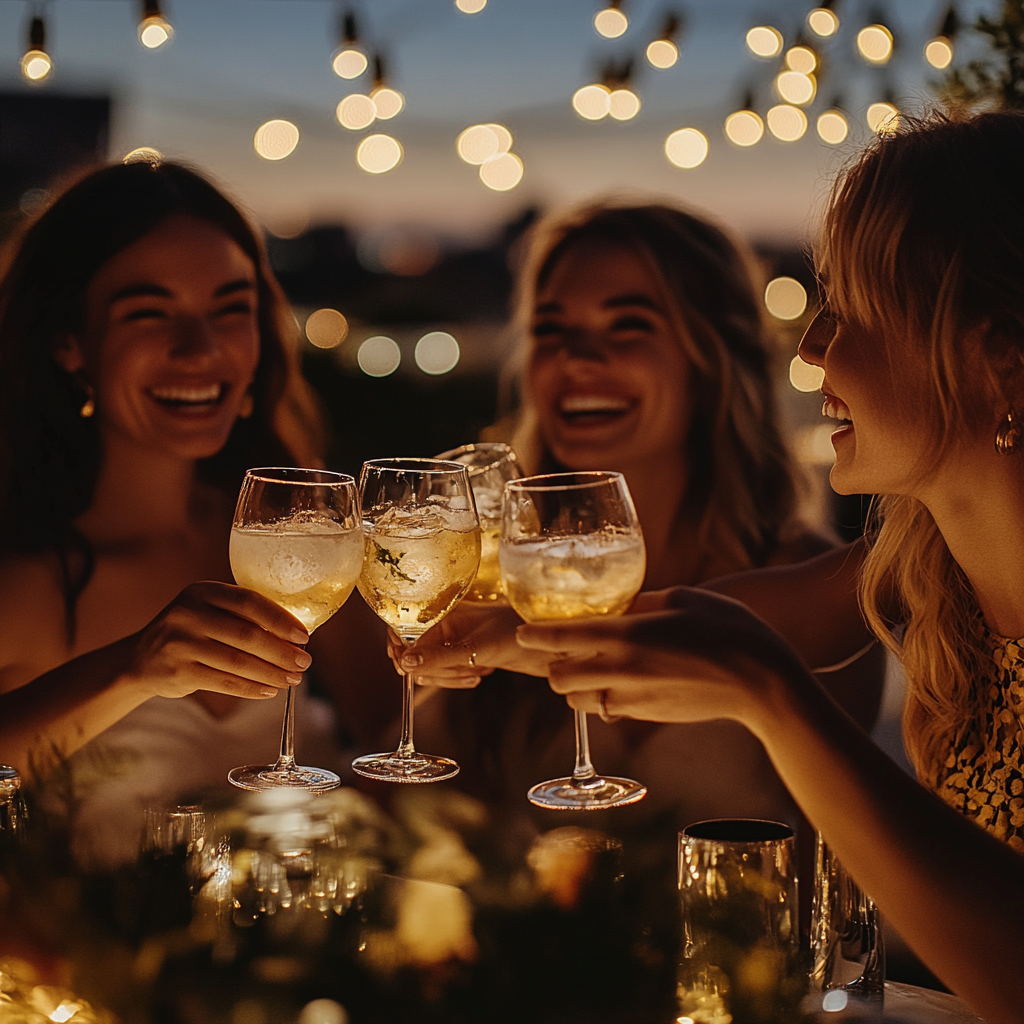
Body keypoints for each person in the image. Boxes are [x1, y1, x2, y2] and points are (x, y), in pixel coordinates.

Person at [512, 111, 1024, 1022]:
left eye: (853, 307)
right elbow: (690, 623)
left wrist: (774, 698)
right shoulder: (931, 572)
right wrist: (491, 630)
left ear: (997, 358)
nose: (811, 347)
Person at [402, 202, 883, 828]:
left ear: (712, 359)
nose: (578, 359)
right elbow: (398, 805)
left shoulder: (817, 588)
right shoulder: (499, 583)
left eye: (627, 326)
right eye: (551, 330)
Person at [0, 159, 345, 866]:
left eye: (230, 308)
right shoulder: (24, 580)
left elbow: (399, 734)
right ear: (70, 341)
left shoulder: (294, 546)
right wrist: (129, 671)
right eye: (149, 312)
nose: (201, 348)